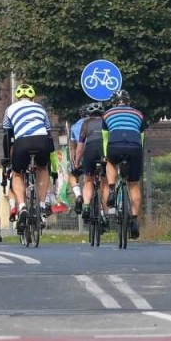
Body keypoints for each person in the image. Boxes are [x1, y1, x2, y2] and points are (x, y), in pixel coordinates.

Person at [2, 85, 54, 225]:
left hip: (22, 142)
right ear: (32, 97)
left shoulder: (10, 109)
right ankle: (42, 205)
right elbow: (49, 133)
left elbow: (7, 134)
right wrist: (51, 156)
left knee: (17, 173)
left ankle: (22, 206)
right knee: (43, 168)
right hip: (42, 140)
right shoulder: (40, 108)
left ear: (17, 97)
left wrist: (7, 158)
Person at [103, 90, 147, 239]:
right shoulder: (139, 114)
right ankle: (134, 220)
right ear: (129, 102)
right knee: (133, 185)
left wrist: (106, 155)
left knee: (110, 162)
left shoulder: (107, 114)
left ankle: (111, 189)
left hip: (115, 145)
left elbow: (105, 138)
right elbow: (142, 138)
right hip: (135, 147)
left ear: (114, 102)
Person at [70, 102, 107, 217]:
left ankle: (84, 203)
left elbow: (77, 147)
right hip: (103, 153)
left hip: (88, 153)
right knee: (105, 182)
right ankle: (105, 214)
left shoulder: (82, 125)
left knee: (87, 180)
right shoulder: (107, 123)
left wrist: (76, 162)